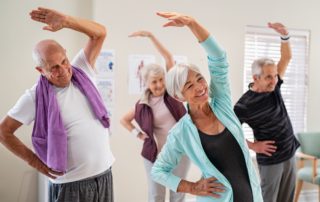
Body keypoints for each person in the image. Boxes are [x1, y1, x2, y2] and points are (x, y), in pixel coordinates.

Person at [0, 7, 114, 202]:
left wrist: (67, 21)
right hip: (71, 186)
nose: (64, 70)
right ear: (40, 70)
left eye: (64, 61)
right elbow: (4, 132)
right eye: (54, 67)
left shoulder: (82, 69)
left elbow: (100, 33)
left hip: (104, 176)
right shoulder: (34, 96)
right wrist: (35, 162)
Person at [151, 12, 263, 202]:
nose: (200, 87)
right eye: (189, 86)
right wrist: (192, 187)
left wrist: (192, 23)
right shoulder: (181, 132)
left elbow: (218, 57)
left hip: (252, 196)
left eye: (199, 79)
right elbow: (158, 171)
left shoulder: (222, 104)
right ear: (179, 96)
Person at [120, 30, 190, 202]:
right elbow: (123, 119)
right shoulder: (142, 104)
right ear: (146, 83)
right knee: (156, 195)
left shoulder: (172, 92)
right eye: (154, 81)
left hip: (180, 152)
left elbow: (168, 58)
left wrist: (151, 37)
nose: (159, 84)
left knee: (178, 194)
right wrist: (138, 134)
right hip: (155, 155)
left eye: (161, 79)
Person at [234, 23, 300, 202]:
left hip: (289, 152)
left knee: (287, 198)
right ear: (255, 78)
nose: (274, 80)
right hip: (271, 161)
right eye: (269, 77)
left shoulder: (274, 87)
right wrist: (253, 146)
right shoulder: (244, 105)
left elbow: (286, 57)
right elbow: (229, 131)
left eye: (275, 75)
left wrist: (285, 36)